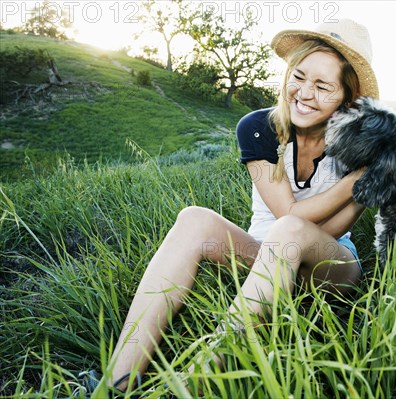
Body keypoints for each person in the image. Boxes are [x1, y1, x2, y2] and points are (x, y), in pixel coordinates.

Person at [77, 18, 379, 395]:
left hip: (329, 269)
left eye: (322, 86)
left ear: (347, 99)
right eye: (298, 77)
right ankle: (117, 381)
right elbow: (287, 211)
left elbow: (324, 229)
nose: (303, 93)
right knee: (194, 219)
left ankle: (190, 386)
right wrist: (356, 181)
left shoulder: (365, 143)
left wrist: (364, 177)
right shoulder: (259, 127)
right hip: (262, 259)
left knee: (290, 231)